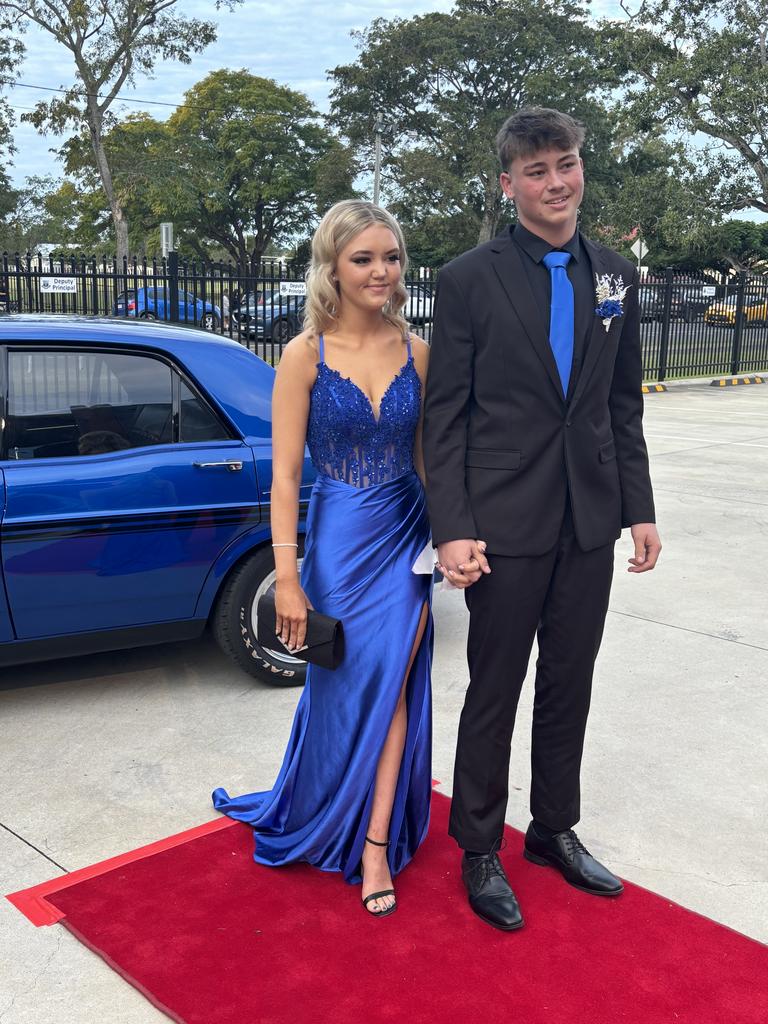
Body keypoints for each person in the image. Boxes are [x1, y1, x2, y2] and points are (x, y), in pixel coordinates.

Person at [422, 107, 661, 932]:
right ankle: (480, 848)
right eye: (536, 171)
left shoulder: (616, 276)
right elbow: (443, 416)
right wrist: (450, 526)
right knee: (496, 687)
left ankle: (554, 829)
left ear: (581, 167)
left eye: (565, 165)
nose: (555, 183)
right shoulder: (468, 279)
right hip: (501, 522)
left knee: (571, 682)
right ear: (508, 185)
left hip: (588, 519)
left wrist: (640, 509)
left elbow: (620, 405)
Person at [213, 200, 440, 917]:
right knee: (344, 687)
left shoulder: (418, 350)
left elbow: (430, 461)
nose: (380, 271)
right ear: (333, 267)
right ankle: (320, 799)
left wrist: (455, 537)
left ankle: (375, 842)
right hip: (339, 541)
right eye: (363, 258)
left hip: (407, 533)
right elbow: (283, 477)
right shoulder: (303, 355)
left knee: (396, 682)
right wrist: (288, 577)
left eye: (391, 257)